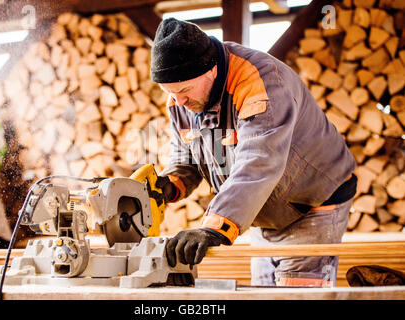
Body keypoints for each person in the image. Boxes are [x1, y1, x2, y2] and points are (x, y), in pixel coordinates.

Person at [152, 18, 357, 287]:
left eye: (184, 91)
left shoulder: (261, 82)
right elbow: (186, 155)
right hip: (264, 209)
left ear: (212, 71)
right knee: (265, 294)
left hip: (312, 203)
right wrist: (170, 184)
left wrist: (212, 227)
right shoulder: (184, 93)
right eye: (169, 93)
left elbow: (258, 163)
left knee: (295, 297)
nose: (178, 102)